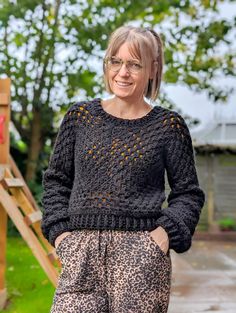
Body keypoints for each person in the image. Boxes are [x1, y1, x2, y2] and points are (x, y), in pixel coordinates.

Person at [41, 25, 205, 313]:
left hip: (141, 258)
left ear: (152, 70)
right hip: (81, 253)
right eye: (115, 61)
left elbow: (188, 194)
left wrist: (162, 237)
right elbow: (56, 181)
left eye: (134, 64)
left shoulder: (168, 127)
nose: (122, 73)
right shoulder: (80, 118)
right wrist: (61, 236)